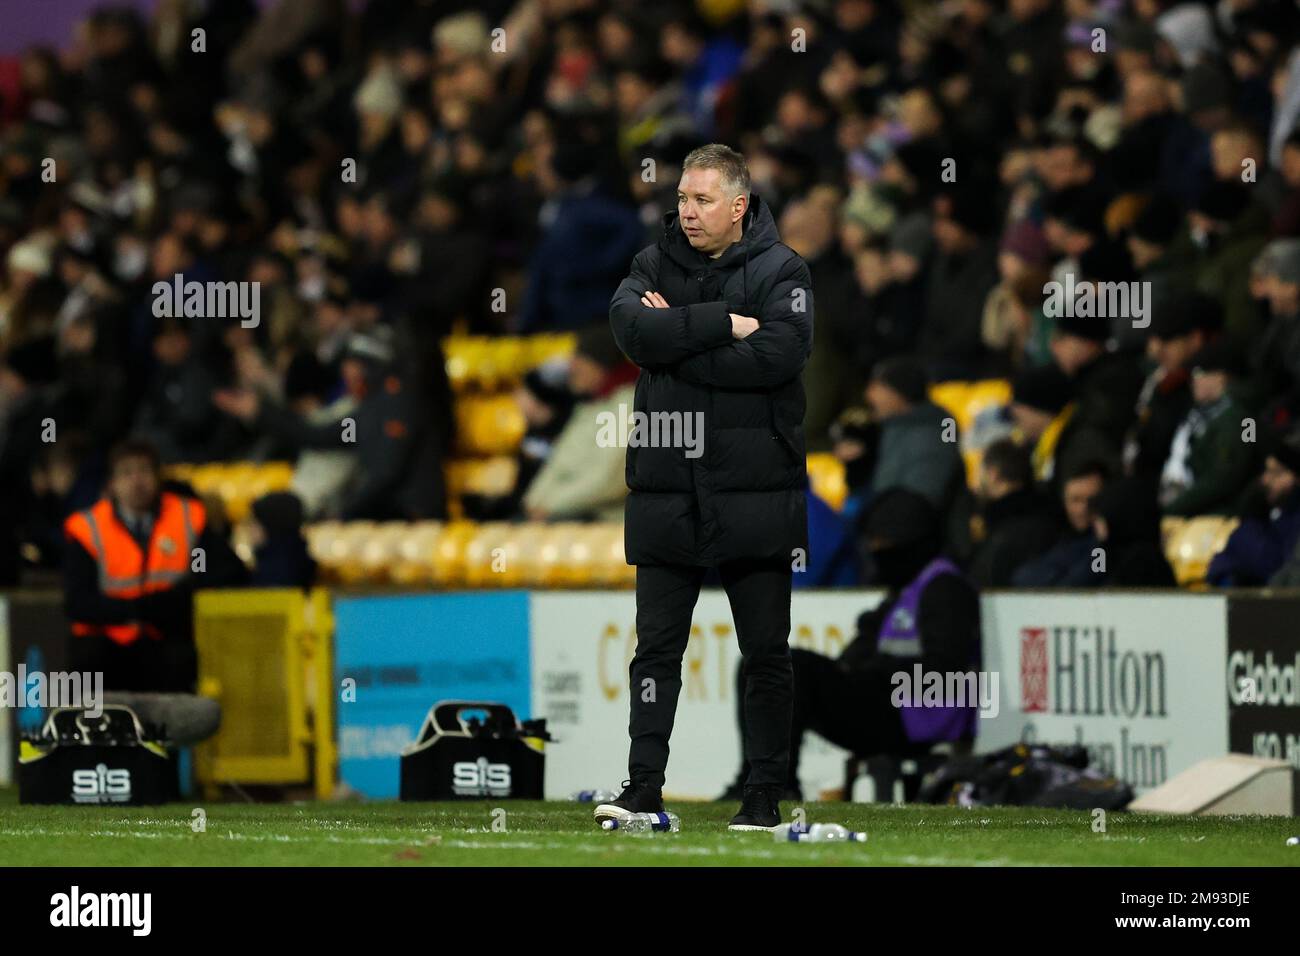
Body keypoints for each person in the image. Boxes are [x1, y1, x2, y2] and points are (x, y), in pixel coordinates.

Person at [602, 143, 812, 832]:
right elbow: (631, 329)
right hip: (666, 492)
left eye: (701, 200)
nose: (686, 212)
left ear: (739, 205)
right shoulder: (651, 262)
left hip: (755, 491)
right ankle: (642, 789)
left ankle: (761, 795)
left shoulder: (786, 271)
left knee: (766, 654)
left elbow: (779, 356)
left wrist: (676, 344)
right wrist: (722, 323)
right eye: (683, 199)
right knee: (655, 653)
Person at [720, 488, 980, 797]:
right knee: (761, 665)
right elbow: (865, 647)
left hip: (915, 717)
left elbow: (946, 669)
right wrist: (856, 666)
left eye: (883, 545)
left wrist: (875, 673)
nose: (876, 553)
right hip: (892, 705)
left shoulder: (945, 588)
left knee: (795, 668)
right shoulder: (909, 588)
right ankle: (754, 777)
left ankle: (775, 784)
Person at [62, 438, 244, 741]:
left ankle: (168, 770)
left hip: (164, 638)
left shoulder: (187, 517)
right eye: (127, 473)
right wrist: (133, 611)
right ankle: (94, 762)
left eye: (144, 471)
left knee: (180, 661)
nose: (137, 481)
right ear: (112, 484)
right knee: (87, 661)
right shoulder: (87, 528)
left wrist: (178, 597)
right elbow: (77, 602)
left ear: (158, 478)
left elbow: (227, 571)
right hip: (108, 640)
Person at [1159, 340, 1256, 516]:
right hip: (1196, 510)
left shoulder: (1240, 418)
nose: (1193, 380)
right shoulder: (1203, 413)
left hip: (1221, 516)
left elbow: (1226, 478)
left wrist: (1173, 509)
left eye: (1199, 373)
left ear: (1221, 376)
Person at [863, 356, 963, 510]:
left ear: (899, 393)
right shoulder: (888, 427)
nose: (869, 394)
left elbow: (923, 500)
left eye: (878, 386)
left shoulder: (941, 428)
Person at [1209, 430, 1300, 586]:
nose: (1265, 480)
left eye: (1276, 473)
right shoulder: (1262, 515)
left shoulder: (1290, 523)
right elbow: (1221, 563)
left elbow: (1275, 565)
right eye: (1267, 471)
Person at [968, 438, 1061, 587]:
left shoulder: (1002, 537)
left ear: (993, 474)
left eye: (981, 471)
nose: (976, 482)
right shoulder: (1047, 517)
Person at [1012, 460, 1110, 587]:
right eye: (1076, 500)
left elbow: (1098, 571)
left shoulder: (1107, 543)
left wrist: (1102, 546)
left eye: (1092, 500)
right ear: (1064, 501)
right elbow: (1022, 578)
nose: (1083, 509)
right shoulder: (1051, 537)